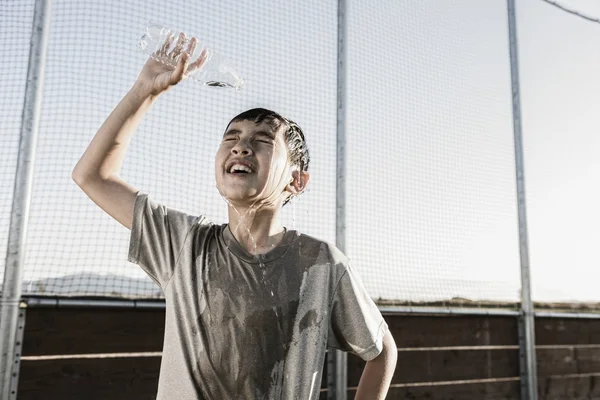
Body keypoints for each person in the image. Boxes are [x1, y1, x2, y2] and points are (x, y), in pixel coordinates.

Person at [72, 32, 397, 399]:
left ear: (297, 180)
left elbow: (382, 351)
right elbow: (92, 175)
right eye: (232, 137)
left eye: (262, 141)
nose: (241, 145)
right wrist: (145, 90)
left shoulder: (320, 265)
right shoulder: (182, 244)